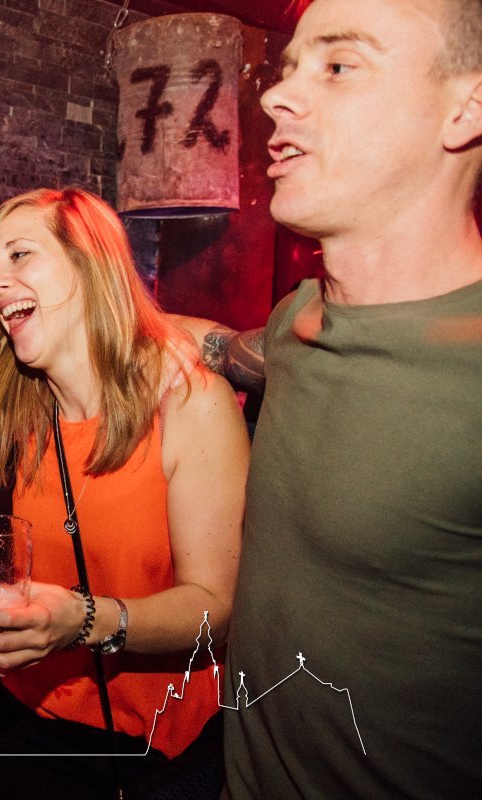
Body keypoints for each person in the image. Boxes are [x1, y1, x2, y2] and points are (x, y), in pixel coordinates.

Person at [180, 1, 482, 796]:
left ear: (466, 109)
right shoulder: (296, 320)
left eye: (340, 66)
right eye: (288, 70)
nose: (278, 96)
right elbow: (230, 349)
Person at [0, 188, 248, 798]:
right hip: (21, 720)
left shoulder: (190, 405)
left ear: (89, 263)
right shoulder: (16, 410)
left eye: (19, 255)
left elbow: (217, 609)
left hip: (146, 750)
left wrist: (86, 621)